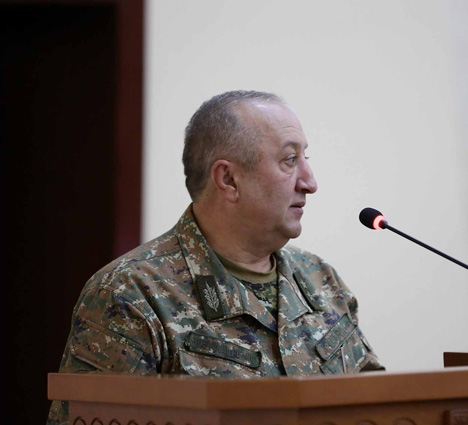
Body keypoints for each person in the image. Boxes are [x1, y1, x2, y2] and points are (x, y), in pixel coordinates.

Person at [47, 90, 384, 424]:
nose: (310, 182)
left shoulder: (321, 279)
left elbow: (378, 405)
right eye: (290, 160)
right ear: (228, 179)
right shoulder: (131, 293)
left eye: (305, 157)